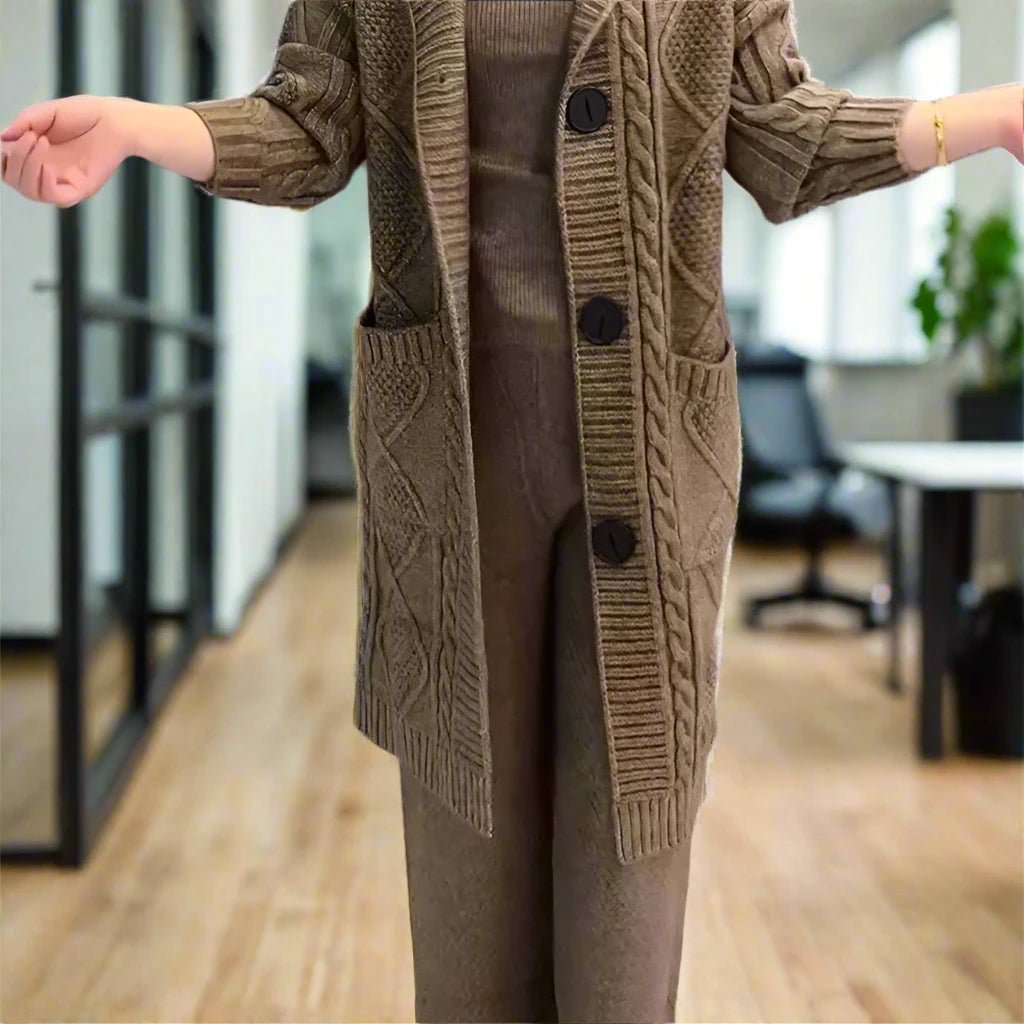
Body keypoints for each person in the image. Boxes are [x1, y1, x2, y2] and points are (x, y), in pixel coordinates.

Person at [3, 2, 1021, 1021]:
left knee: (625, 901)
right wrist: (139, 127)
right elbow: (307, 127)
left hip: (652, 459)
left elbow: (788, 137)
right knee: (468, 920)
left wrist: (988, 116)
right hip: (446, 461)